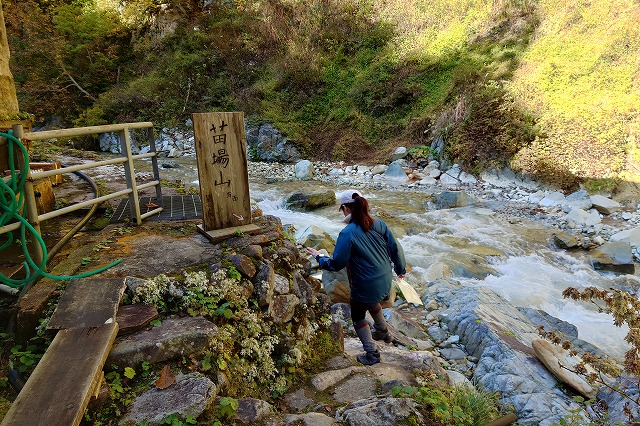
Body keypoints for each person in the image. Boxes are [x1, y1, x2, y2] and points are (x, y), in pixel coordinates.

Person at [307, 190, 406, 366]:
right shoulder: (379, 224)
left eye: (342, 209)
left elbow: (337, 263)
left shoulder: (348, 233)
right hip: (385, 281)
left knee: (358, 316)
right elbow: (396, 249)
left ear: (345, 209)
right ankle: (383, 331)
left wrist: (319, 257)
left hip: (365, 284)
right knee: (372, 300)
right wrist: (400, 269)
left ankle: (372, 354)